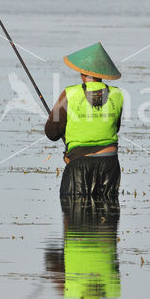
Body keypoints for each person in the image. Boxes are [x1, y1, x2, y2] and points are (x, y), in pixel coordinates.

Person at [45, 42, 123, 198]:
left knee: (74, 216)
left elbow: (51, 133)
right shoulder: (117, 94)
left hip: (79, 164)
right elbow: (115, 127)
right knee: (108, 215)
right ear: (102, 73)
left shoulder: (69, 93)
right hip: (110, 163)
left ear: (83, 72)